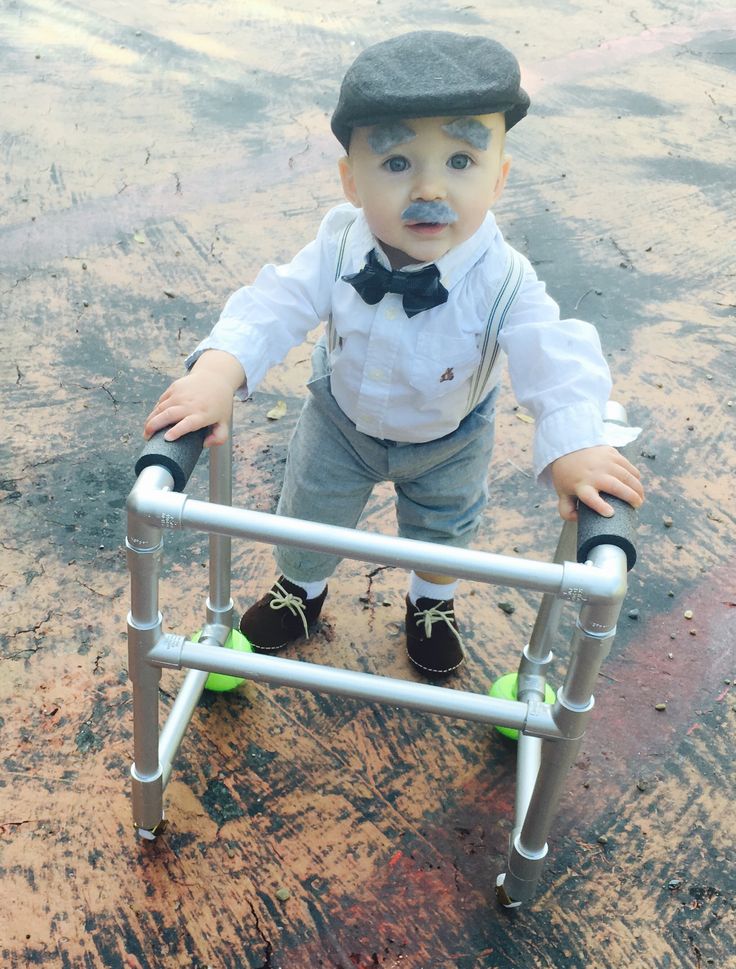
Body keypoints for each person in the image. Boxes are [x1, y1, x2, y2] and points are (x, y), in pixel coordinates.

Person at [143, 30, 644, 678]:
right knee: (309, 509)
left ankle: (432, 602)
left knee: (444, 529)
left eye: (461, 161)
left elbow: (555, 354)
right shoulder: (339, 241)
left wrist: (575, 440)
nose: (430, 188)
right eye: (398, 163)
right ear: (352, 180)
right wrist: (220, 368)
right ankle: (301, 589)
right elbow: (276, 301)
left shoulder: (504, 278)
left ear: (500, 177)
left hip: (449, 438)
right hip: (340, 420)